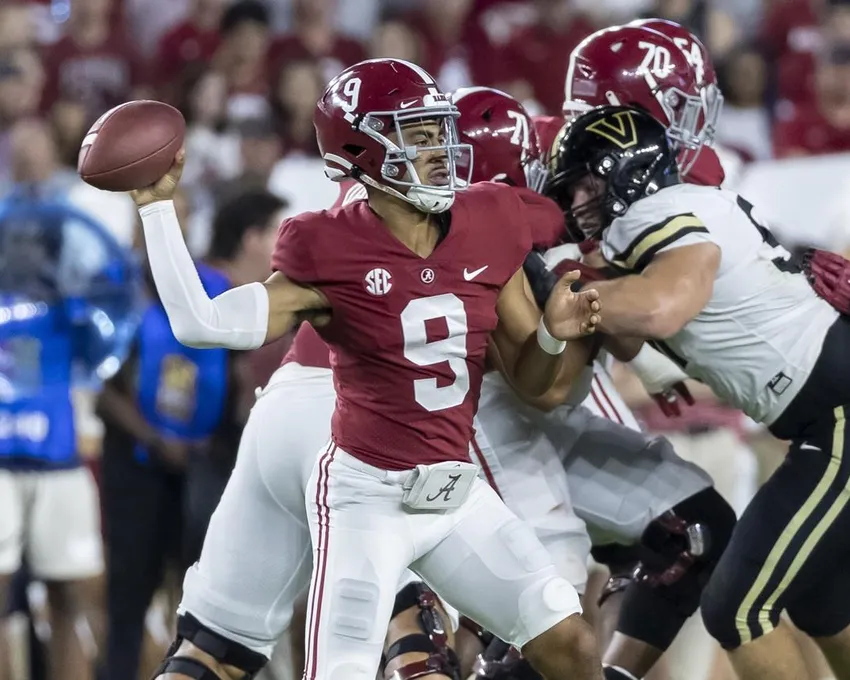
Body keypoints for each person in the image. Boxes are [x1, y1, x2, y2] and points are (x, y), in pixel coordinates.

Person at [138, 58, 604, 680]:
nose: (439, 148)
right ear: (360, 150)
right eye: (417, 134)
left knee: (570, 642)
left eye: (439, 129)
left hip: (455, 494)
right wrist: (157, 210)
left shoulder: (489, 218)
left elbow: (531, 380)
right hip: (365, 501)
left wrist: (551, 333)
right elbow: (203, 324)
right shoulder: (329, 244)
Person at [546, 103, 850, 680]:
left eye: (584, 184)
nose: (575, 203)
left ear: (623, 170)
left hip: (837, 416)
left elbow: (663, 305)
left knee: (737, 606)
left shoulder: (653, 212)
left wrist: (581, 304)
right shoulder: (683, 202)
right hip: (824, 415)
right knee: (822, 601)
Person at [451, 85, 736, 680]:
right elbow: (544, 382)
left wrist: (618, 321)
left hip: (541, 417)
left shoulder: (557, 159)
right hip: (477, 422)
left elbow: (609, 335)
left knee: (695, 527)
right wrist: (593, 297)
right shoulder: (472, 231)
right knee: (554, 601)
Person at [97, 190, 280, 680]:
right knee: (128, 598)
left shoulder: (213, 290)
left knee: (202, 599)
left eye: (179, 221)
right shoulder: (116, 293)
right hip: (136, 465)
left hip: (203, 464)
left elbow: (242, 376)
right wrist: (156, 439)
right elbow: (103, 388)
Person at [0, 185, 139, 680]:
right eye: (17, 241)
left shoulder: (71, 307)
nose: (25, 250)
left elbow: (106, 344)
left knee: (72, 598)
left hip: (60, 461)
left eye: (37, 242)